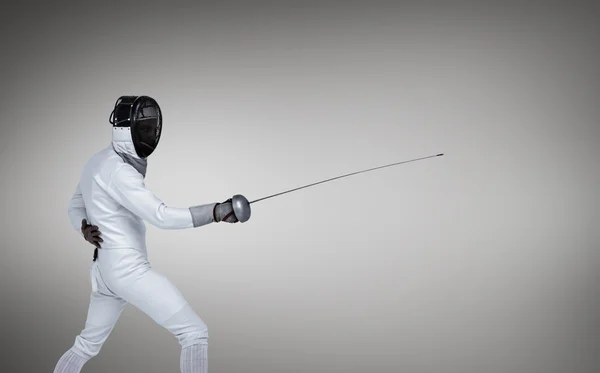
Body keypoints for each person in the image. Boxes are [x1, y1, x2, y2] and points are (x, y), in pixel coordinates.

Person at [54, 96, 241, 373]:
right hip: (128, 270)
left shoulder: (97, 161)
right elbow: (161, 216)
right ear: (125, 130)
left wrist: (82, 226)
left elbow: (74, 204)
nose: (150, 134)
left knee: (86, 345)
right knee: (194, 332)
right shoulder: (120, 172)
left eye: (152, 128)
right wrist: (215, 212)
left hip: (104, 271)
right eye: (143, 129)